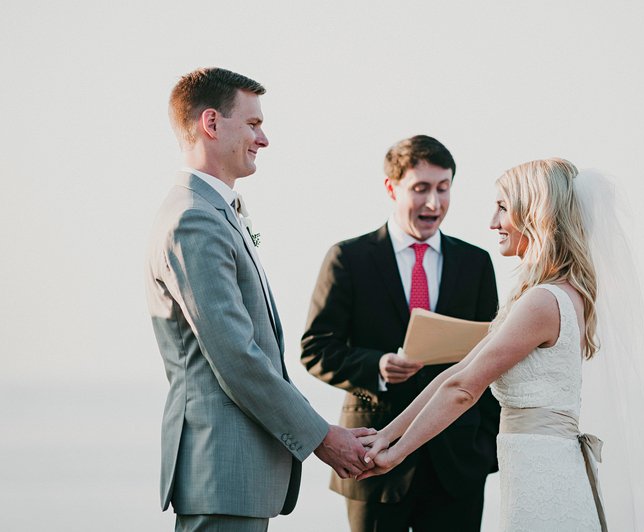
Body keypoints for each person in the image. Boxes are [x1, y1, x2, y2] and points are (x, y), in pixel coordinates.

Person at [145, 67, 373, 532]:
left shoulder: (210, 212)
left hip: (233, 475)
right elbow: (236, 354)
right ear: (211, 123)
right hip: (221, 469)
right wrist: (320, 437)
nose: (263, 138)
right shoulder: (194, 220)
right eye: (252, 124)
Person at [358, 158, 608, 531]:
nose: (493, 221)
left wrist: (396, 455)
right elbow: (457, 373)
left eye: (503, 207)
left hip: (542, 473)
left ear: (534, 213)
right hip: (540, 465)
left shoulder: (543, 301)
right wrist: (385, 434)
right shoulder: (565, 293)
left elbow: (463, 389)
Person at [301, 135, 500, 531]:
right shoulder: (349, 259)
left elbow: (493, 357)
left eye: (443, 189)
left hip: (458, 462)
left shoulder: (476, 262)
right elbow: (315, 349)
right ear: (392, 188)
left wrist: (485, 445)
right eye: (421, 188)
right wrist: (377, 365)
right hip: (374, 458)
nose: (434, 203)